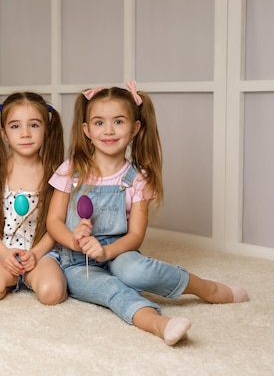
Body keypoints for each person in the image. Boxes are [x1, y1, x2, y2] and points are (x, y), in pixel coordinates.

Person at [46, 81, 248, 345]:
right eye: (99, 123)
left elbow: (136, 236)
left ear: (135, 128)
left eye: (118, 122)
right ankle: (159, 324)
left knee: (136, 272)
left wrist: (106, 252)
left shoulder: (137, 178)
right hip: (76, 261)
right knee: (109, 288)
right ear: (86, 130)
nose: (108, 130)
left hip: (119, 251)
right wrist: (76, 240)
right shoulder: (70, 170)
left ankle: (205, 288)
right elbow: (53, 221)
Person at [0, 92, 67, 305]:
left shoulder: (57, 174)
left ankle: (34, 278)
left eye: (34, 125)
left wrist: (36, 253)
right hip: (4, 250)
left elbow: (56, 222)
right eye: (15, 126)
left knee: (52, 293)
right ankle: (9, 279)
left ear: (47, 129)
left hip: (42, 253)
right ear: (4, 134)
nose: (25, 133)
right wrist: (3, 254)